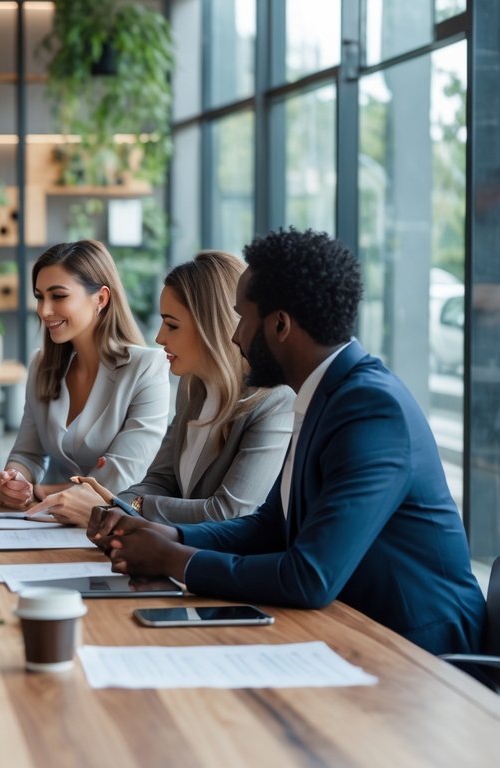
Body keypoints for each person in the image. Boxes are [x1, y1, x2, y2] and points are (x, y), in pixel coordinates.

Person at [86, 228, 485, 655]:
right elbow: (269, 527)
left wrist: (171, 559)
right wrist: (167, 533)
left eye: (243, 317)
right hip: (353, 633)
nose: (236, 335)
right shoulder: (325, 394)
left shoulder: (370, 409)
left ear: (279, 325)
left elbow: (310, 576)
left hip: (422, 656)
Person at [29, 251, 294, 525]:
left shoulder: (275, 402)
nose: (159, 337)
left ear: (211, 328)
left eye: (172, 325)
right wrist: (113, 505)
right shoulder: (193, 388)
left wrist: (120, 507)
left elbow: (227, 512)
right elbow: (160, 479)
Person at [0, 240, 169, 508]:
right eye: (40, 296)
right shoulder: (42, 365)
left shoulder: (147, 367)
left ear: (100, 298)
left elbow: (122, 476)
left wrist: (44, 491)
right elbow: (27, 453)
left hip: (125, 527)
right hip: (58, 527)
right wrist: (14, 480)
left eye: (58, 296)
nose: (44, 310)